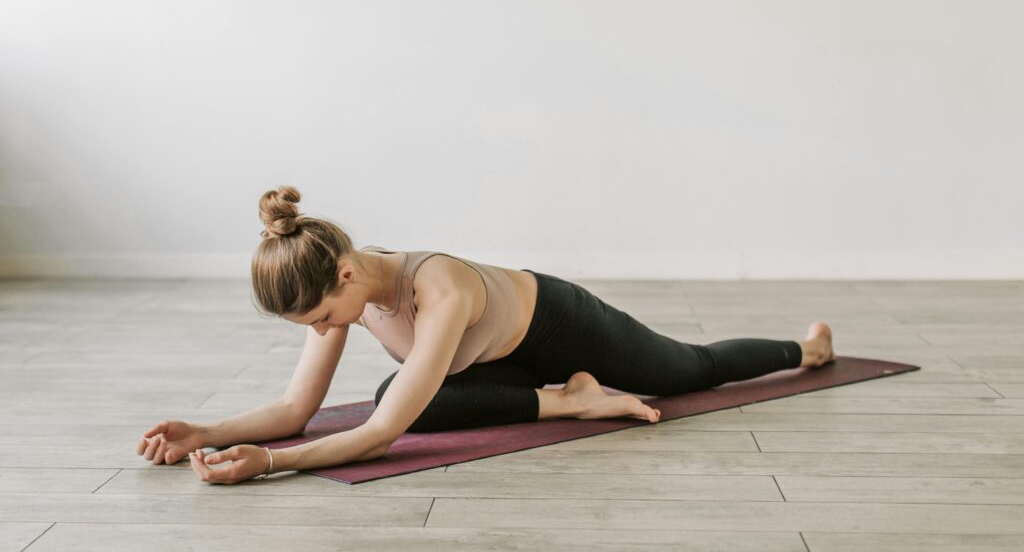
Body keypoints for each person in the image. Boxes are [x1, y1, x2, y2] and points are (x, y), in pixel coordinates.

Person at [137, 185, 837, 483]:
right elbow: (295, 411)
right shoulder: (345, 288)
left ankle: (807, 349)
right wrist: (209, 430)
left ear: (346, 277)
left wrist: (269, 463)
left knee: (689, 370)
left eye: (320, 318)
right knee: (397, 389)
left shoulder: (439, 288)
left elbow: (379, 437)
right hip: (498, 361)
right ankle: (570, 402)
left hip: (561, 325)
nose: (322, 332)